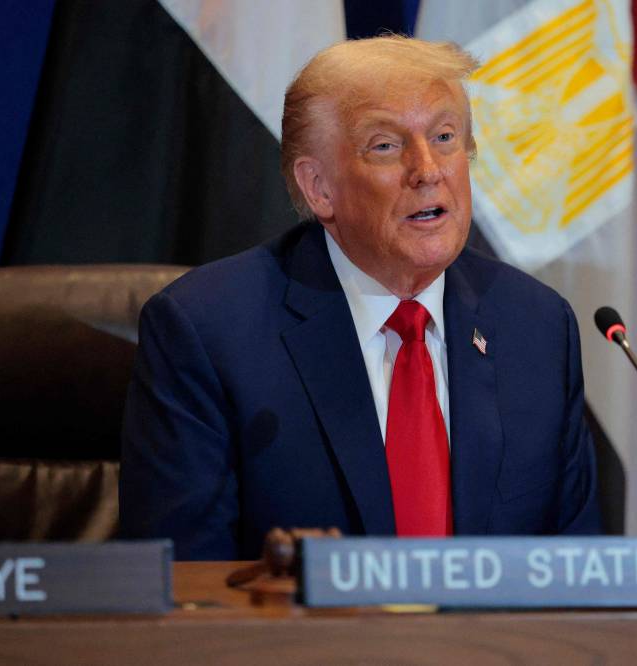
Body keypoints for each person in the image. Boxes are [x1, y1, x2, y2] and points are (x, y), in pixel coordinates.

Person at [120, 36, 601, 560]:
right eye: (386, 146)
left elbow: (578, 568)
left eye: (444, 136)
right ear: (319, 187)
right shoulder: (208, 332)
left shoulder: (536, 326)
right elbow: (187, 586)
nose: (428, 169)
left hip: (493, 644)